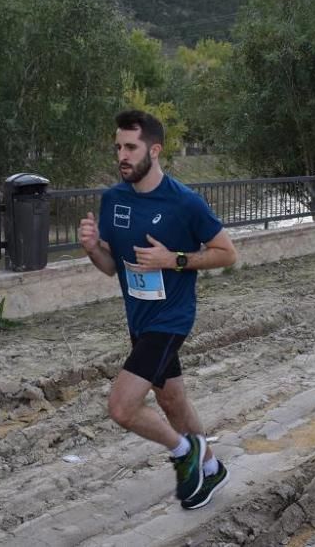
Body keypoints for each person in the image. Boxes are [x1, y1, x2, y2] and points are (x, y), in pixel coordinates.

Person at [78, 109, 238, 510]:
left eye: (130, 147)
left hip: (171, 319)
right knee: (172, 401)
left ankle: (183, 450)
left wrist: (174, 260)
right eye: (118, 147)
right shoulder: (113, 199)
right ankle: (212, 467)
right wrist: (93, 248)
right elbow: (111, 266)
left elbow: (227, 253)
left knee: (122, 406)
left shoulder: (185, 202)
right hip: (139, 319)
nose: (122, 156)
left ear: (155, 149)